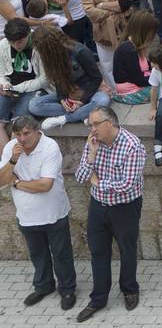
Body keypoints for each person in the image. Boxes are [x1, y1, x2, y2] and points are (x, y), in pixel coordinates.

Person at [73, 105, 145, 323]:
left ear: (110, 123)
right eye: (90, 124)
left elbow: (127, 184)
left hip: (125, 207)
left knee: (127, 248)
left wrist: (98, 182)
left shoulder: (133, 146)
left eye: (95, 124)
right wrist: (92, 155)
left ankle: (130, 289)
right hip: (98, 206)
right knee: (98, 251)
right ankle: (98, 298)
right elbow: (80, 176)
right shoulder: (93, 143)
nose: (91, 128)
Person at [0, 114, 77, 311]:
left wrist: (16, 182)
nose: (22, 139)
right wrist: (13, 161)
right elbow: (1, 180)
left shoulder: (49, 147)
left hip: (53, 212)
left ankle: (67, 289)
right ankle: (43, 286)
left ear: (36, 131)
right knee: (37, 254)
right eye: (18, 135)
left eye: (26, 134)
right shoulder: (11, 148)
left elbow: (45, 185)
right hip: (26, 215)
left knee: (61, 254)